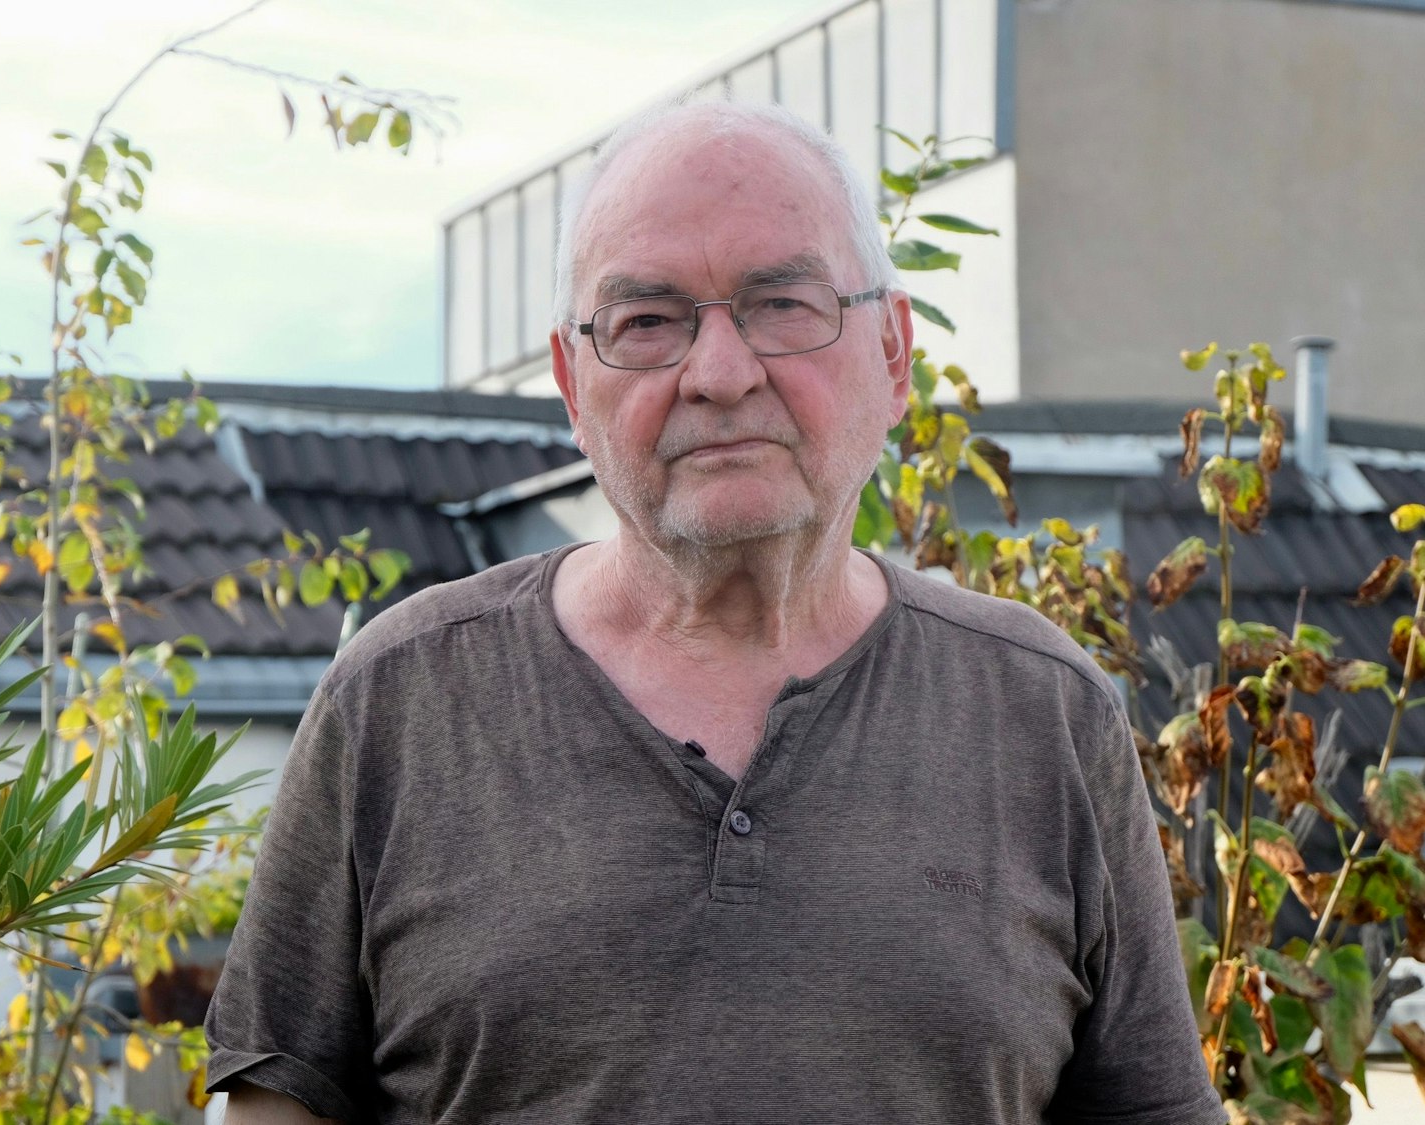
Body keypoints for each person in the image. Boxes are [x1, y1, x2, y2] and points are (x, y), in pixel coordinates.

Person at [205, 99, 1223, 1125]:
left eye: (782, 303)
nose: (720, 374)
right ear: (569, 382)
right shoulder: (401, 703)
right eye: (646, 321)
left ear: (892, 352)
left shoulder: (1042, 717)